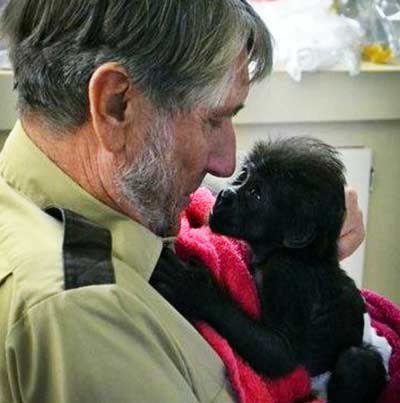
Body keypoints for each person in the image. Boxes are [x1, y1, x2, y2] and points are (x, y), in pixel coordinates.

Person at [0, 1, 364, 402]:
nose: (226, 164)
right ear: (115, 105)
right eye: (212, 120)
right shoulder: (85, 315)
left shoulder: (93, 197)